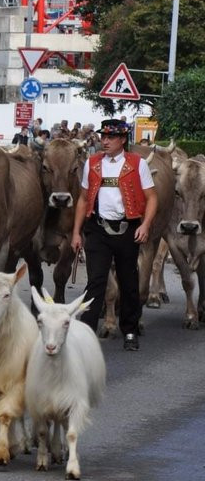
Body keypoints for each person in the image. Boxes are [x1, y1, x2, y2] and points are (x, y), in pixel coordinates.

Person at [70, 118, 157, 351]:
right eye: (103, 136)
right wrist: (76, 232)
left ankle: (129, 330)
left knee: (129, 282)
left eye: (110, 137)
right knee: (95, 281)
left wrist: (145, 225)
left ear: (122, 140)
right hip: (98, 229)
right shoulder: (93, 163)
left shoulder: (137, 164)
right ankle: (86, 332)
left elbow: (152, 198)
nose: (104, 141)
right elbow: (82, 199)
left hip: (127, 229)